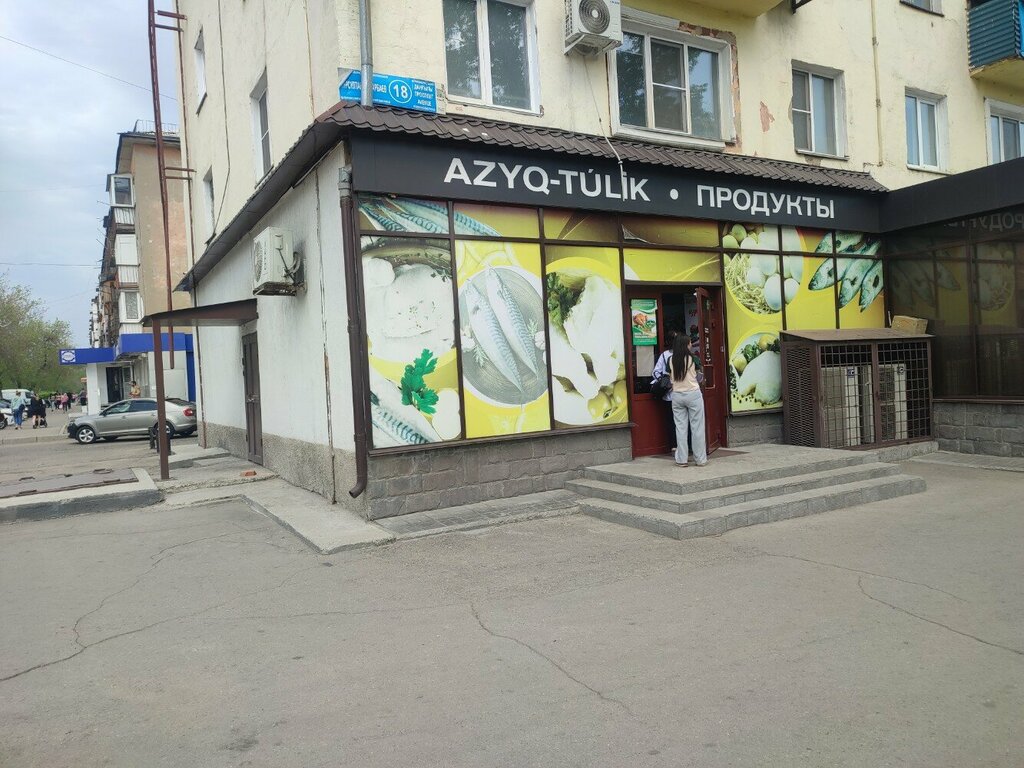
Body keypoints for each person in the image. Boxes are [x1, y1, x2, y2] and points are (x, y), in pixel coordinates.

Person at [669, 333, 707, 468]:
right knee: (697, 428)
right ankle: (700, 459)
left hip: (677, 395)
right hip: (693, 394)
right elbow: (700, 378)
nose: (691, 345)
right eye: (690, 343)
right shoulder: (694, 359)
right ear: (686, 345)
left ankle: (682, 460)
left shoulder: (671, 360)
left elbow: (670, 378)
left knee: (680, 428)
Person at [651, 331, 678, 452]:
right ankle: (674, 445)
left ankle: (683, 446)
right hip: (669, 396)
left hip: (680, 394)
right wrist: (666, 383)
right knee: (671, 421)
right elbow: (656, 372)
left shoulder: (684, 355)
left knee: (680, 422)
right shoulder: (664, 355)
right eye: (673, 339)